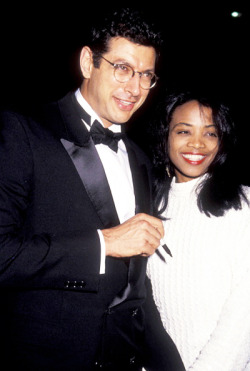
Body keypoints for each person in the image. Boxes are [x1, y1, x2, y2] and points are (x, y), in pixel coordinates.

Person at [0, 8, 185, 371]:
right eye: (123, 68)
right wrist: (104, 244)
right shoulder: (21, 130)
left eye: (146, 75)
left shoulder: (140, 159)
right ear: (88, 62)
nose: (135, 89)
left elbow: (136, 290)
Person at [147, 90, 250, 371]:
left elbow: (244, 313)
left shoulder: (245, 205)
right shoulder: (146, 204)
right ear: (165, 136)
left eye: (210, 133)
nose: (197, 144)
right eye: (183, 131)